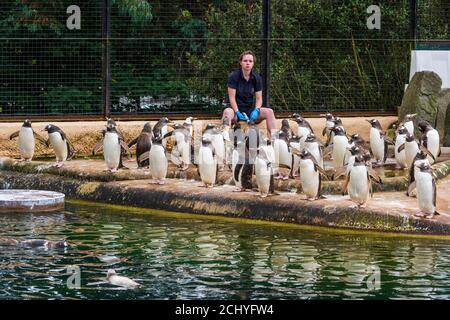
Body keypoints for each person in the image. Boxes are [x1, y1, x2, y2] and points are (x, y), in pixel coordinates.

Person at [222, 50, 276, 135]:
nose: (248, 63)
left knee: (269, 112)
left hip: (250, 111)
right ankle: (224, 139)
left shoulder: (257, 78)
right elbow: (231, 98)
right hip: (235, 111)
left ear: (253, 63)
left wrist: (257, 110)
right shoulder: (233, 76)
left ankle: (276, 139)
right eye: (245, 61)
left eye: (250, 61)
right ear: (241, 62)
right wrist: (237, 112)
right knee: (227, 112)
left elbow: (259, 99)